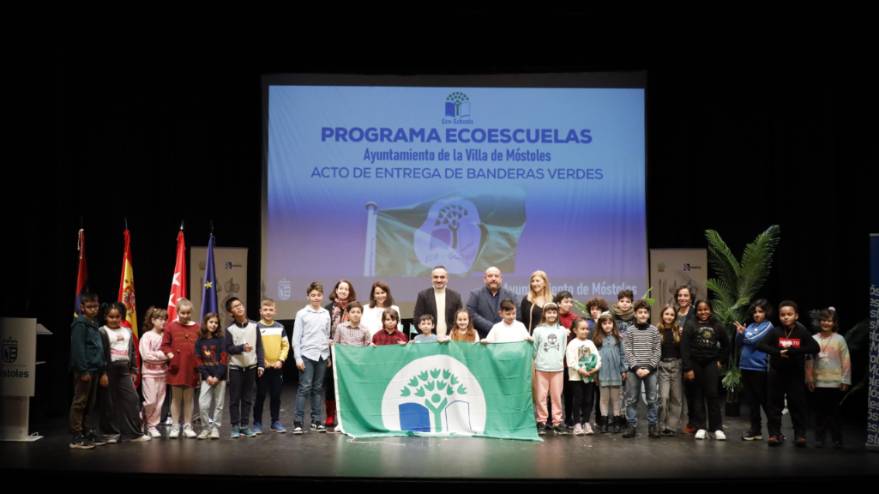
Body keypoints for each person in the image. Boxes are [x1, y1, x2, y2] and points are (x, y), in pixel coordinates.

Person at [757, 300, 819, 447]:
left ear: (796, 316)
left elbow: (815, 347)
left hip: (795, 374)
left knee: (797, 405)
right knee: (774, 405)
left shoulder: (801, 332)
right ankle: (774, 434)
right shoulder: (775, 331)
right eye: (783, 315)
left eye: (789, 314)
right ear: (779, 316)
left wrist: (794, 351)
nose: (786, 317)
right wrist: (777, 352)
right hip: (776, 373)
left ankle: (800, 435)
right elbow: (761, 345)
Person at [98, 302, 150, 443]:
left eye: (117, 317)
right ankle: (110, 434)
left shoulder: (127, 331)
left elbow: (132, 352)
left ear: (121, 317)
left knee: (132, 400)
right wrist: (103, 373)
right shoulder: (102, 331)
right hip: (109, 370)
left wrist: (133, 370)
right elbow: (100, 353)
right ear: (105, 317)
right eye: (111, 317)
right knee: (109, 403)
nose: (114, 319)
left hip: (124, 370)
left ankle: (134, 434)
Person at [681, 300, 729, 440]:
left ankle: (717, 428)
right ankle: (701, 426)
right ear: (696, 311)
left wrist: (720, 361)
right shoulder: (690, 324)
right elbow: (684, 347)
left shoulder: (717, 325)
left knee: (713, 394)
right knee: (698, 395)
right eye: (700, 310)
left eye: (706, 309)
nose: (703, 312)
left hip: (711, 363)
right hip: (695, 363)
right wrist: (688, 368)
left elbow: (726, 345)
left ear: (710, 310)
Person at [806, 307, 851, 448]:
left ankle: (837, 439)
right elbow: (809, 360)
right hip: (818, 382)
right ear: (819, 321)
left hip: (835, 383)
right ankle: (819, 438)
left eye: (829, 321)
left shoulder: (840, 339)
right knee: (819, 413)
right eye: (823, 320)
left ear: (834, 323)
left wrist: (845, 379)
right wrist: (809, 378)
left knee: (834, 413)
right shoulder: (813, 339)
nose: (826, 323)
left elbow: (846, 360)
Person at [292, 282, 331, 434]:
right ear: (308, 296)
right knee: (304, 388)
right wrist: (298, 358)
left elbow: (326, 335)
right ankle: (298, 422)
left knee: (318, 389)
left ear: (322, 296)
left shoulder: (325, 313)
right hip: (307, 355)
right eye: (313, 295)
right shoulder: (302, 313)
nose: (316, 297)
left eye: (318, 295)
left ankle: (316, 420)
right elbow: (296, 338)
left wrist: (327, 355)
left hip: (322, 355)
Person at [733, 299, 774, 441]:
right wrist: (740, 333)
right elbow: (739, 342)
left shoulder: (768, 326)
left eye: (760, 312)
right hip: (745, 367)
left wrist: (743, 334)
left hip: (759, 369)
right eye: (755, 312)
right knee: (752, 402)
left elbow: (753, 340)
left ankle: (775, 432)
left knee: (765, 401)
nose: (757, 314)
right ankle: (755, 430)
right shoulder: (750, 326)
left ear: (766, 313)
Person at [68, 293, 105, 449]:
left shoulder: (94, 323)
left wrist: (102, 369)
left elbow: (98, 348)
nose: (93, 309)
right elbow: (78, 349)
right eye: (89, 307)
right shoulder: (80, 324)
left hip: (95, 369)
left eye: (95, 306)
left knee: (90, 403)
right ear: (82, 307)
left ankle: (87, 431)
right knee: (80, 402)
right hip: (85, 369)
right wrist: (83, 370)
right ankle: (76, 436)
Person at [225, 297, 265, 439]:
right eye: (235, 306)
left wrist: (261, 364)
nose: (239, 307)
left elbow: (259, 347)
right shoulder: (229, 329)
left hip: (251, 367)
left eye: (240, 304)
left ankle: (244, 425)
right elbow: (228, 348)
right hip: (236, 367)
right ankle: (235, 426)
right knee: (234, 399)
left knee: (248, 398)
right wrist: (241, 348)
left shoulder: (255, 326)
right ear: (231, 312)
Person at [161, 298, 201, 439]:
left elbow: (201, 346)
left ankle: (188, 426)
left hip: (191, 367)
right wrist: (171, 355)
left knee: (189, 398)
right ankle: (175, 426)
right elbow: (165, 345)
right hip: (176, 367)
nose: (185, 315)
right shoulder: (171, 327)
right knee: (176, 398)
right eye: (182, 313)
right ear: (177, 312)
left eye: (188, 313)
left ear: (191, 312)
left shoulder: (197, 327)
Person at [622, 300, 661, 439]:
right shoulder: (630, 330)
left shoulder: (654, 330)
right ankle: (631, 426)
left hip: (651, 371)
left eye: (645, 312)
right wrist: (637, 368)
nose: (643, 315)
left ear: (648, 314)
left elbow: (657, 351)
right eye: (640, 312)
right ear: (635, 314)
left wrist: (649, 368)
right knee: (631, 399)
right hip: (634, 371)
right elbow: (627, 351)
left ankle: (653, 426)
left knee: (652, 399)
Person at [532, 303, 568, 435]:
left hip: (557, 369)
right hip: (541, 368)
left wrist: (557, 361)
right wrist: (538, 361)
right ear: (544, 314)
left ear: (557, 314)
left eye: (554, 312)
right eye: (549, 312)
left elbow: (563, 348)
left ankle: (557, 422)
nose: (551, 315)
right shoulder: (538, 330)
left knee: (556, 396)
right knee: (541, 396)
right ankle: (541, 421)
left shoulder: (562, 331)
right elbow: (534, 349)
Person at [323, 280, 355, 429]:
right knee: (330, 383)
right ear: (336, 290)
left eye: (346, 289)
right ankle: (330, 416)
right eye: (340, 288)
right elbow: (323, 330)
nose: (343, 291)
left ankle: (348, 416)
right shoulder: (327, 309)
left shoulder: (353, 308)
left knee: (348, 383)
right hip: (332, 351)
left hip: (349, 351)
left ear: (349, 292)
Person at [255, 298, 290, 434]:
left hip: (276, 367)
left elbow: (285, 346)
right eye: (265, 310)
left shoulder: (280, 327)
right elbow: (255, 347)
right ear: (260, 311)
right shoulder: (256, 327)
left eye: (271, 310)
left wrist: (280, 360)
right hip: (262, 368)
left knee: (276, 396)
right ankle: (257, 423)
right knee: (260, 395)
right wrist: (262, 361)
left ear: (275, 311)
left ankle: (275, 422)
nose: (268, 312)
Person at [195, 312, 227, 440]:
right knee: (203, 404)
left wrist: (217, 376)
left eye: (216, 323)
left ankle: (215, 429)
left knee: (219, 405)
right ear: (206, 323)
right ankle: (206, 428)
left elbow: (224, 359)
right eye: (211, 322)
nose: (213, 325)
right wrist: (207, 376)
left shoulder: (221, 340)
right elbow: (198, 361)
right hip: (206, 378)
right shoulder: (200, 341)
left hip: (220, 378)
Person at [566, 318, 601, 435]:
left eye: (587, 329)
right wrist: (579, 369)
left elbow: (597, 357)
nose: (586, 331)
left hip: (589, 377)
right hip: (576, 377)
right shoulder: (572, 344)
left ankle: (586, 422)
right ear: (575, 330)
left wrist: (596, 368)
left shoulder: (590, 343)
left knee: (588, 399)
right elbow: (570, 361)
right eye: (582, 329)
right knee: (578, 399)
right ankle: (577, 424)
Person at [139, 306, 169, 439]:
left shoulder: (166, 336)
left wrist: (160, 355)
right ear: (152, 320)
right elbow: (146, 356)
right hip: (149, 374)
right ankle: (141, 416)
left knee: (159, 402)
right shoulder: (147, 336)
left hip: (163, 374)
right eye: (160, 319)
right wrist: (162, 356)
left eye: (165, 319)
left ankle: (152, 425)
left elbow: (169, 353)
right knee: (150, 401)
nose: (163, 322)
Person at [594, 312, 626, 433]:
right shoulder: (597, 339)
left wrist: (623, 370)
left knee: (616, 399)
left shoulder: (618, 338)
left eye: (610, 323)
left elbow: (623, 355)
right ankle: (604, 423)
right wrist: (595, 373)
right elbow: (594, 357)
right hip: (602, 373)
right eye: (604, 323)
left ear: (613, 324)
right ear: (600, 325)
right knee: (603, 399)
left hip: (616, 373)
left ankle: (617, 422)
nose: (607, 325)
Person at [466, 266, 518, 339]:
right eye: (490, 276)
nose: (493, 279)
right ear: (484, 279)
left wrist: (502, 328)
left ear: (501, 279)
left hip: (506, 338)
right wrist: (494, 328)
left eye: (496, 276)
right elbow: (471, 314)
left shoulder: (511, 295)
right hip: (482, 338)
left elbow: (518, 316)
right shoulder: (475, 294)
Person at [656, 305, 684, 437]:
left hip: (676, 365)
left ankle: (671, 426)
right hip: (663, 366)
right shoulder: (657, 331)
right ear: (662, 315)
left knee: (676, 398)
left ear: (675, 317)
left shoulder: (678, 330)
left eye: (672, 315)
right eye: (666, 314)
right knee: (663, 397)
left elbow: (683, 349)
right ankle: (661, 424)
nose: (669, 317)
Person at [414, 266, 463, 338]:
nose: (439, 280)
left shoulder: (455, 296)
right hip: (430, 340)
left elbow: (460, 318)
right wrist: (426, 337)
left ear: (447, 279)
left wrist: (453, 335)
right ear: (432, 279)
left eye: (442, 277)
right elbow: (417, 319)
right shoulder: (423, 295)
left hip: (451, 339)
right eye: (436, 277)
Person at [520, 270, 550, 334]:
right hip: (530, 337)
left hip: (548, 337)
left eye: (537, 281)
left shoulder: (552, 300)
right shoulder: (527, 299)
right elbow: (522, 320)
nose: (534, 284)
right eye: (532, 281)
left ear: (545, 283)